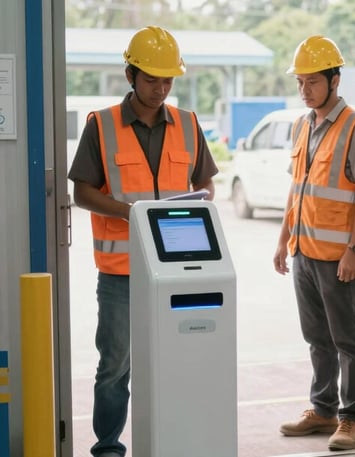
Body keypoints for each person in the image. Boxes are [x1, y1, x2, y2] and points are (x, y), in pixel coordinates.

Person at [67, 26, 217, 457]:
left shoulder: (188, 124)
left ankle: (172, 439)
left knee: (177, 360)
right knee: (115, 367)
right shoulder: (102, 125)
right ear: (130, 75)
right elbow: (82, 192)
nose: (161, 88)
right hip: (120, 273)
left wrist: (198, 204)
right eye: (152, 79)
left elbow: (205, 184)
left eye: (168, 80)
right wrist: (132, 213)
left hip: (178, 271)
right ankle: (108, 447)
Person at [273, 35, 355, 451]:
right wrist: (283, 241)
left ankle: (352, 418)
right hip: (303, 251)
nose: (304, 90)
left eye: (312, 81)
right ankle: (323, 409)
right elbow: (297, 189)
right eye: (300, 82)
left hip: (338, 258)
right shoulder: (303, 125)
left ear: (335, 80)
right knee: (316, 336)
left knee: (347, 338)